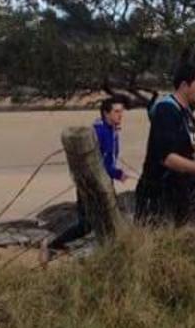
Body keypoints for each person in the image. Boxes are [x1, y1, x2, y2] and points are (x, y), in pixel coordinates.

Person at [134, 63, 195, 225]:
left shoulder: (187, 113)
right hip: (159, 197)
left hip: (181, 194)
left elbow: (184, 152)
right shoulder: (166, 110)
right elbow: (166, 157)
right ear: (184, 85)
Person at [41, 95, 129, 264]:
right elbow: (97, 163)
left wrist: (115, 173)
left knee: (108, 221)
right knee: (86, 224)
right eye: (117, 112)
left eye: (122, 112)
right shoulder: (97, 132)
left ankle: (107, 256)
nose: (120, 115)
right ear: (106, 113)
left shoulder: (113, 131)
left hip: (104, 183)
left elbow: (109, 160)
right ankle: (52, 245)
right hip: (89, 184)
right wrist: (118, 174)